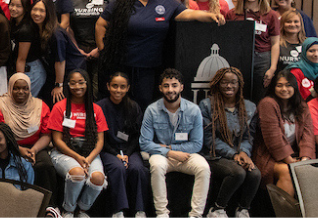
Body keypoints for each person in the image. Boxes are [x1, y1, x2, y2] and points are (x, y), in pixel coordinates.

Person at [96, 0, 226, 106]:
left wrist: (210, 16)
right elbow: (100, 24)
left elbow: (188, 13)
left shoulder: (166, 1)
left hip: (150, 68)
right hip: (123, 65)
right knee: (121, 104)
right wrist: (103, 51)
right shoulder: (122, 1)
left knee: (144, 103)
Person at [140, 69, 210, 218]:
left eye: (174, 85)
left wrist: (173, 148)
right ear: (160, 88)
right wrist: (170, 153)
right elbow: (144, 143)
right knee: (157, 166)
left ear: (181, 87)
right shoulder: (152, 111)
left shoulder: (194, 110)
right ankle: (162, 213)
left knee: (203, 168)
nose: (170, 90)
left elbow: (197, 144)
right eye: (166, 86)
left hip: (186, 154)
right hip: (161, 154)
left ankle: (196, 215)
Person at [198, 67, 260, 218]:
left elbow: (248, 136)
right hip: (214, 156)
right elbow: (208, 138)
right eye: (224, 82)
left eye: (233, 82)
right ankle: (217, 209)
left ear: (239, 85)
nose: (229, 86)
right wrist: (234, 155)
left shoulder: (250, 107)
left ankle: (242, 209)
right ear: (217, 84)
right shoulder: (207, 106)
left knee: (255, 174)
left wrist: (244, 153)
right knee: (237, 172)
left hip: (238, 154)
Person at [46, 70, 108, 217]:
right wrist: (77, 158)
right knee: (78, 173)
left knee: (98, 178)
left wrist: (88, 159)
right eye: (73, 83)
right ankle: (68, 209)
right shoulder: (59, 107)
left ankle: (83, 210)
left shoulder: (96, 109)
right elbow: (57, 140)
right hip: (64, 152)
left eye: (81, 82)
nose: (77, 86)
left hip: (89, 153)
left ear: (87, 84)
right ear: (68, 85)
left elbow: (100, 142)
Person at [0, 73, 56, 199]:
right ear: (10, 89)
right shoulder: (0, 105)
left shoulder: (40, 106)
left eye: (25, 88)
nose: (21, 92)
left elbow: (46, 135)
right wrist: (19, 150)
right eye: (16, 88)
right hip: (7, 146)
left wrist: (33, 150)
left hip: (35, 146)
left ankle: (48, 206)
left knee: (45, 165)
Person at [253, 71, 314, 197]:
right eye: (279, 85)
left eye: (288, 85)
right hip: (268, 156)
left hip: (295, 156)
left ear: (294, 87)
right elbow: (273, 139)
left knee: (311, 171)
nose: (284, 89)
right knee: (287, 172)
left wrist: (304, 159)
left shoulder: (301, 106)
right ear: (273, 87)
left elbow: (308, 135)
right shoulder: (267, 103)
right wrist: (291, 162)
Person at [96, 73, 148, 218]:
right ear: (108, 86)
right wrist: (116, 154)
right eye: (115, 86)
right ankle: (118, 210)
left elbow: (136, 135)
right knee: (117, 168)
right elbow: (99, 138)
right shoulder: (100, 107)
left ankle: (139, 210)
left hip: (130, 151)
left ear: (128, 88)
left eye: (122, 87)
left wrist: (127, 154)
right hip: (107, 150)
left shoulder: (134, 107)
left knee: (137, 168)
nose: (118, 90)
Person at [229, 0, 280, 95]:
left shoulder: (271, 15)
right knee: (239, 93)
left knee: (260, 94)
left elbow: (275, 43)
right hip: (239, 58)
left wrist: (272, 68)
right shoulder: (232, 14)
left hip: (262, 58)